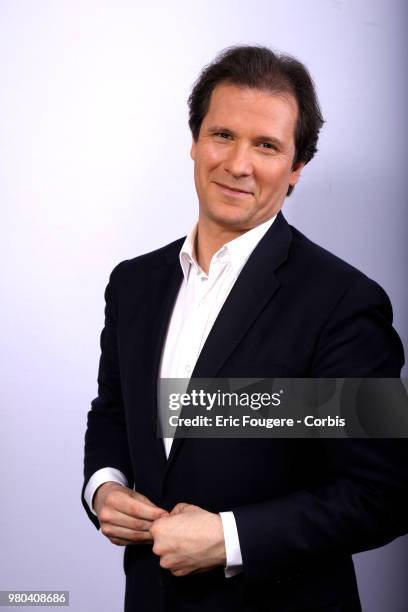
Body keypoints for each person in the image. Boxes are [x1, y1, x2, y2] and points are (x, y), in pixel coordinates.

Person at [81, 45, 407, 612]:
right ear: (194, 141)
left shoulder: (345, 304)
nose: (237, 164)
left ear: (296, 168)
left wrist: (229, 538)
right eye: (223, 135)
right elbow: (114, 411)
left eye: (266, 145)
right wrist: (104, 486)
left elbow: (385, 494)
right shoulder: (132, 285)